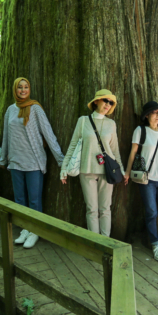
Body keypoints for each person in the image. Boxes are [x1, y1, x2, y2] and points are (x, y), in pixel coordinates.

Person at [0, 77, 65, 249]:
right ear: (15, 89)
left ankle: (35, 230)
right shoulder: (10, 110)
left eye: (25, 87)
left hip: (34, 161)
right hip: (15, 161)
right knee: (20, 199)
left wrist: (60, 159)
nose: (22, 90)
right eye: (19, 87)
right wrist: (3, 158)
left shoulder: (35, 109)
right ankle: (25, 228)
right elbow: (6, 136)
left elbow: (48, 134)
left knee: (34, 199)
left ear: (29, 89)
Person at [60, 89, 124, 237]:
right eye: (105, 100)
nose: (108, 104)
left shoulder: (111, 124)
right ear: (96, 101)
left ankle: (105, 242)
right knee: (92, 209)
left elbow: (115, 150)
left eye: (111, 102)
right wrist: (64, 168)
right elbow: (72, 146)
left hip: (107, 171)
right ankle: (94, 243)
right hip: (86, 170)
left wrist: (122, 170)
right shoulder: (82, 121)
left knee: (105, 208)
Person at [124, 101, 158, 262]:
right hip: (147, 180)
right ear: (147, 115)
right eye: (154, 112)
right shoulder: (140, 131)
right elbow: (133, 152)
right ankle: (156, 245)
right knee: (151, 212)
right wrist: (127, 172)